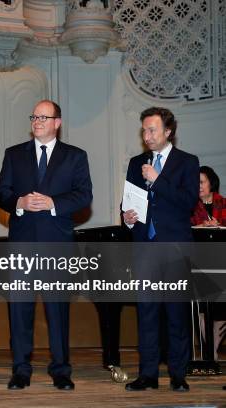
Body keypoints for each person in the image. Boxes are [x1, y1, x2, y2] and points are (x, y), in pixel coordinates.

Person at [0, 99, 92, 391]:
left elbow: (84, 195)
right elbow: (1, 193)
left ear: (57, 123)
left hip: (57, 245)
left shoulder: (75, 156)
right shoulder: (14, 154)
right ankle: (20, 370)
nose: (37, 121)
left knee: (58, 310)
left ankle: (61, 370)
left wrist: (53, 203)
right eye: (35, 116)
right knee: (20, 310)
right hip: (21, 243)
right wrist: (19, 203)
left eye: (44, 117)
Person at [122, 107, 199, 392]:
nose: (147, 135)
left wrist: (158, 179)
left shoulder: (187, 162)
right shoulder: (135, 162)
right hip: (145, 248)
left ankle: (178, 375)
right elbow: (129, 199)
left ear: (168, 132)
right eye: (144, 130)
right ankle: (148, 375)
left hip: (175, 249)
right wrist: (127, 217)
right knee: (147, 314)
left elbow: (188, 201)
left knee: (177, 314)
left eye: (153, 130)